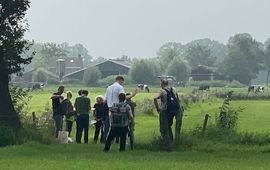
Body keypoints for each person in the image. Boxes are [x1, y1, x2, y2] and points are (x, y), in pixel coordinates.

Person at [105, 76, 137, 143]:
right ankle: (123, 141)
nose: (122, 83)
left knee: (112, 127)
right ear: (120, 80)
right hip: (119, 108)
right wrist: (133, 94)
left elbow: (106, 99)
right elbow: (123, 97)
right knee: (123, 125)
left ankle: (109, 141)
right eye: (122, 82)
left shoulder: (109, 88)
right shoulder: (120, 87)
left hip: (110, 108)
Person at [154, 79, 182, 151]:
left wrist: (158, 108)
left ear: (161, 84)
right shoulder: (174, 89)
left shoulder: (162, 91)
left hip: (165, 111)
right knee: (169, 126)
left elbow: (155, 98)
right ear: (168, 83)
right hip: (175, 110)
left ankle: (168, 147)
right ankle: (174, 142)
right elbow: (178, 100)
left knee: (164, 129)